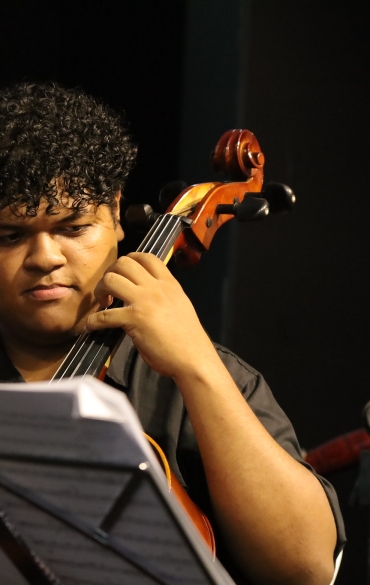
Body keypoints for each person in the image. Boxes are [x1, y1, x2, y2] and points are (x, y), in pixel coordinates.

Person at [0, 82, 345, 585]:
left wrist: (197, 367)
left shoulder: (207, 374)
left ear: (117, 213)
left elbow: (304, 568)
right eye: (11, 235)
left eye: (73, 229)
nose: (46, 259)